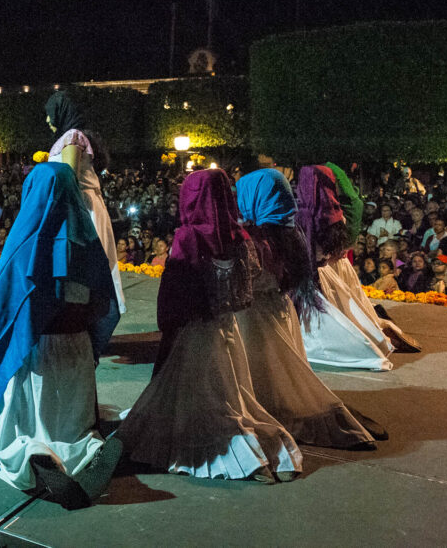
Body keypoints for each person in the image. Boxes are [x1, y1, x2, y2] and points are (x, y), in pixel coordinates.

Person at [117, 169, 302, 483]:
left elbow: (174, 291)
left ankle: (241, 457)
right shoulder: (240, 237)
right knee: (230, 392)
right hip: (227, 329)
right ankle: (254, 454)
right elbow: (244, 293)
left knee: (201, 397)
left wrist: (171, 325)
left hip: (193, 332)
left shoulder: (188, 237)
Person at [0, 162, 120, 509]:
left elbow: (4, 307)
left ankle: (32, 453)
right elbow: (102, 304)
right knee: (76, 422)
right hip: (77, 344)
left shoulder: (23, 240)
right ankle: (90, 451)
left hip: (37, 349)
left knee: (27, 423)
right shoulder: (87, 240)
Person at [234, 168, 376, 450]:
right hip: (280, 311)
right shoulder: (291, 233)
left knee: (264, 378)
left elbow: (245, 285)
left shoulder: (254, 241)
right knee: (285, 374)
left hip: (254, 319)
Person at [294, 166, 408, 371]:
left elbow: (325, 253)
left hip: (321, 270)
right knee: (345, 310)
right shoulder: (337, 214)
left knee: (335, 314)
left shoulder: (304, 215)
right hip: (332, 268)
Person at [44, 92, 125, 362]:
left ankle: (91, 335)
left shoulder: (72, 138)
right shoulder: (67, 138)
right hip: (77, 207)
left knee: (91, 272)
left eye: (49, 113)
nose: (46, 119)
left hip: (82, 210)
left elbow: (67, 178)